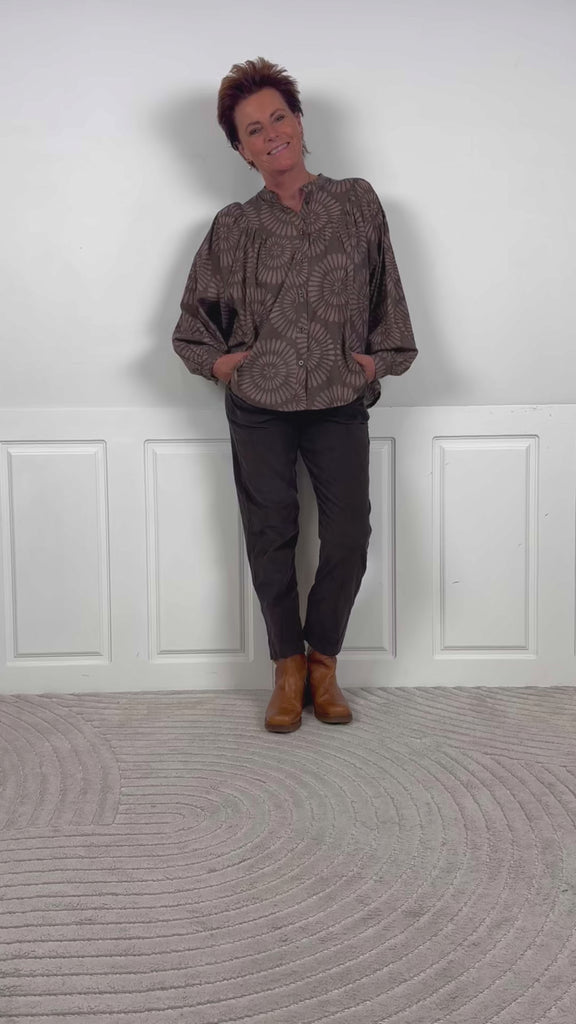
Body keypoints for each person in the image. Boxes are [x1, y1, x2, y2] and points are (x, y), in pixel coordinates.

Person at [173, 58, 418, 733]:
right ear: (241, 150)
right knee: (270, 534)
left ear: (300, 122)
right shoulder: (232, 227)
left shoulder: (356, 202)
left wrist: (376, 362)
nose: (271, 133)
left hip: (338, 398)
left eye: (279, 117)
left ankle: (323, 663)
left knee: (349, 535)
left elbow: (387, 290)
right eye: (254, 129)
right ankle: (286, 667)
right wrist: (220, 363)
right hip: (260, 406)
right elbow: (192, 323)